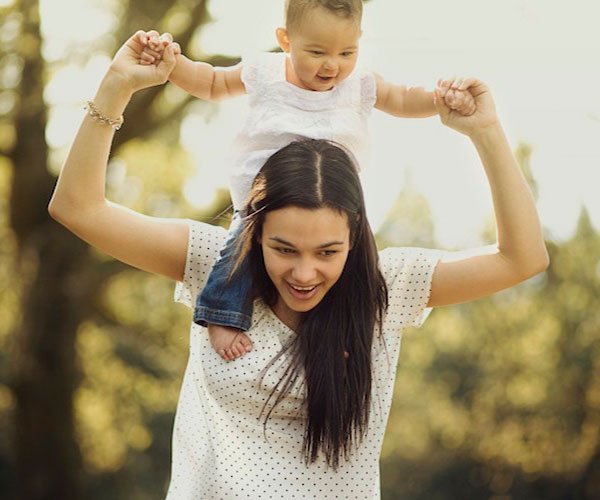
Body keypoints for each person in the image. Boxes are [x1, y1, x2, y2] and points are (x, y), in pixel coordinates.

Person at [48, 30, 548, 499]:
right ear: (254, 231)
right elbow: (78, 208)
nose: (304, 274)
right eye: (284, 249)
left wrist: (486, 132)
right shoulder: (215, 262)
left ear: (354, 237)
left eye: (328, 253)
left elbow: (521, 258)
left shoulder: (387, 286)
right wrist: (116, 88)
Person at [137, 0, 477, 362]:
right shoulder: (264, 73)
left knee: (351, 265)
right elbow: (213, 83)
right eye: (316, 52)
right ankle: (222, 314)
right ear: (285, 40)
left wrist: (441, 101)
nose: (332, 64)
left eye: (347, 52)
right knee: (238, 252)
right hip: (267, 197)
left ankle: (348, 330)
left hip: (334, 201)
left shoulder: (361, 83)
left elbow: (403, 99)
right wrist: (173, 65)